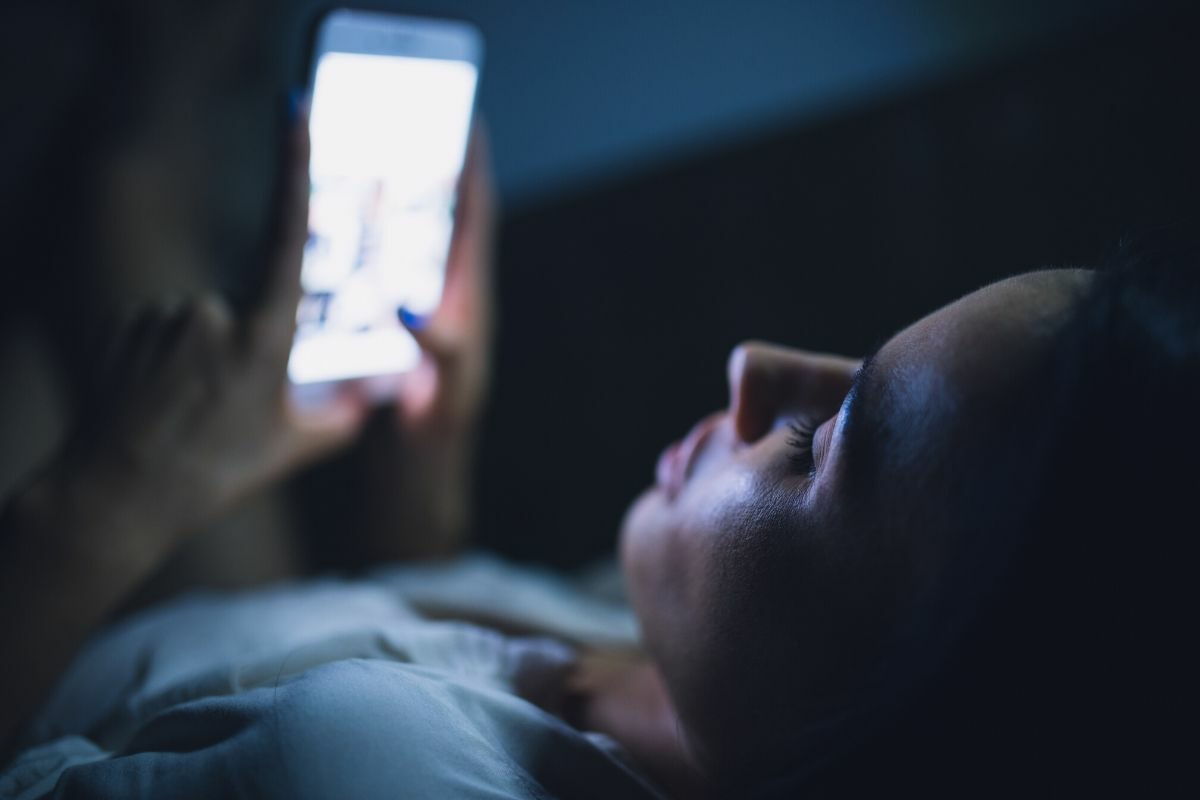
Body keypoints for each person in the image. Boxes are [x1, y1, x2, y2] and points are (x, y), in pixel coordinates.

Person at [2, 85, 1197, 800]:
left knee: (119, 184)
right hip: (208, 621)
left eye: (825, 442)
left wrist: (102, 497)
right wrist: (426, 459)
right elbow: (403, 638)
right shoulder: (700, 679)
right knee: (131, 185)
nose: (755, 370)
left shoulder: (382, 770)